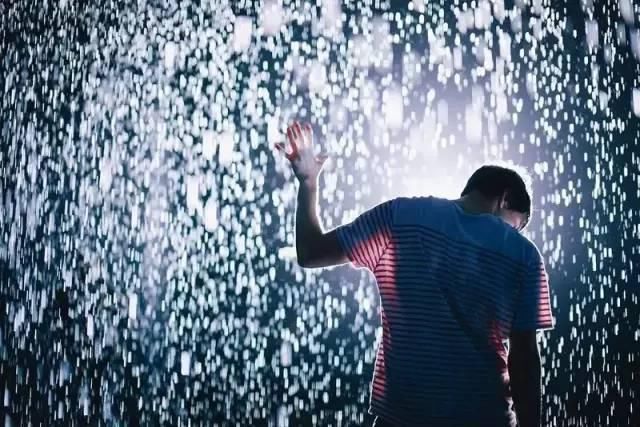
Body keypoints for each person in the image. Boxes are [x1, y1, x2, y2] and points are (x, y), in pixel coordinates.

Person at [275, 121, 555, 427]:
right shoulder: (524, 255)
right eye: (516, 225)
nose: (514, 234)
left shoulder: (401, 217)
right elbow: (524, 358)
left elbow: (311, 252)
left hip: (401, 418)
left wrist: (308, 183)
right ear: (504, 199)